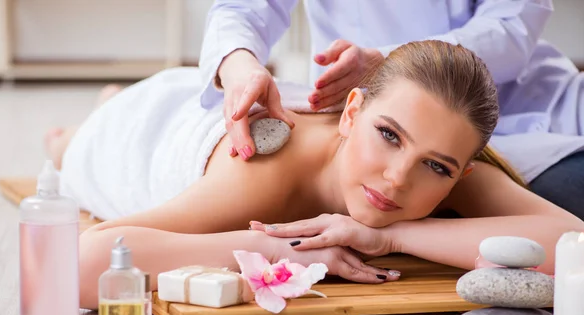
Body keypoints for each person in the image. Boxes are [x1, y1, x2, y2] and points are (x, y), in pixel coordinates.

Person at [48, 41, 582, 310]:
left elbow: (575, 245)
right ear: (351, 112)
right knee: (71, 147)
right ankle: (92, 117)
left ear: (459, 171)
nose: (398, 179)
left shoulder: (451, 170)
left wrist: (390, 233)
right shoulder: (260, 174)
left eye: (436, 166)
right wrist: (290, 248)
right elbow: (83, 262)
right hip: (144, 134)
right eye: (389, 135)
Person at [200, 0, 584, 220]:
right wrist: (240, 67)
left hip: (530, 102)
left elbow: (513, 24)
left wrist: (387, 61)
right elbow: (242, 8)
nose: (398, 178)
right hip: (386, 107)